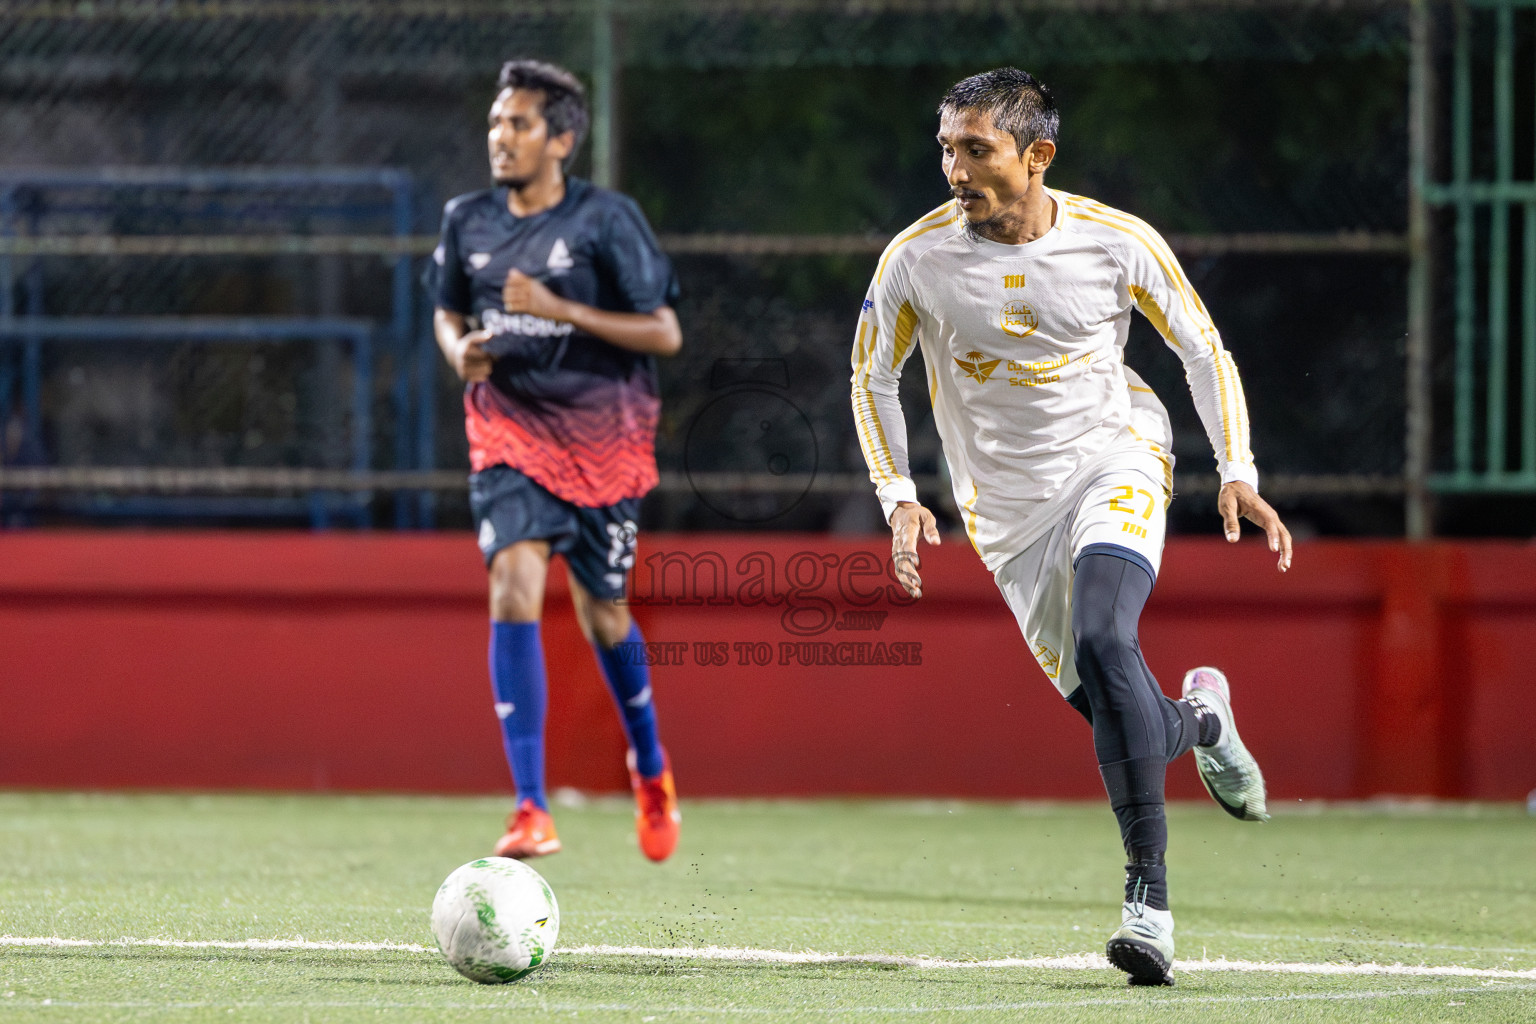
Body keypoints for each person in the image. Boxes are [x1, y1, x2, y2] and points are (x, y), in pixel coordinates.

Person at [851, 67, 1293, 986]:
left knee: (1104, 637)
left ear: (1038, 155)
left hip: (1114, 459)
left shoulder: (1115, 241)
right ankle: (1204, 719)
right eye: (946, 149)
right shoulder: (915, 260)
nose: (955, 170)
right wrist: (898, 495)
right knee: (1118, 711)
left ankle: (1149, 905)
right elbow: (872, 379)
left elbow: (1201, 349)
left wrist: (1237, 470)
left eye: (977, 150)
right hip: (1006, 516)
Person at [431, 59, 682, 863]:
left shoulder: (607, 220)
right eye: (495, 122)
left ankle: (650, 765)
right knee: (512, 582)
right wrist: (459, 352)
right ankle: (531, 806)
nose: (500, 137)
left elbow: (665, 332)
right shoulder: (466, 220)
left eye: (519, 124)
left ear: (561, 140)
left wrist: (559, 308)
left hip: (605, 446)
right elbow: (446, 310)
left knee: (604, 616)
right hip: (507, 433)